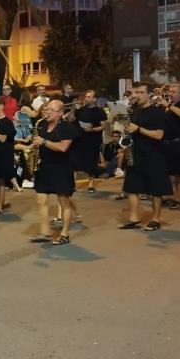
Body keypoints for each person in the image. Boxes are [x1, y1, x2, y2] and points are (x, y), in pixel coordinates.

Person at [117, 83, 171, 231]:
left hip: (154, 154)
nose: (136, 95)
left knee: (156, 190)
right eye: (135, 93)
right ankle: (134, 218)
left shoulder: (157, 112)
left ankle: (155, 219)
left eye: (140, 92)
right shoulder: (135, 112)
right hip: (135, 154)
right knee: (131, 187)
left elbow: (159, 135)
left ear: (149, 94)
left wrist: (139, 129)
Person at [29, 100, 78, 245]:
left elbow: (63, 147)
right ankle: (45, 232)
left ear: (61, 113)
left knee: (64, 202)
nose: (48, 112)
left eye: (52, 110)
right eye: (47, 109)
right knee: (41, 199)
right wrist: (33, 146)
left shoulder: (68, 128)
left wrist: (44, 142)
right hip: (45, 167)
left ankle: (64, 234)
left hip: (61, 168)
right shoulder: (42, 125)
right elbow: (39, 143)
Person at [72, 90, 108, 193]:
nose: (86, 99)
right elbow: (70, 119)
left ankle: (91, 184)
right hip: (79, 139)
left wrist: (92, 129)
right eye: (86, 97)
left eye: (88, 97)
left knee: (92, 162)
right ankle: (72, 184)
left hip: (93, 140)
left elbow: (104, 126)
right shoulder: (80, 110)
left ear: (94, 99)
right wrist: (73, 108)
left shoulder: (100, 111)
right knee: (74, 161)